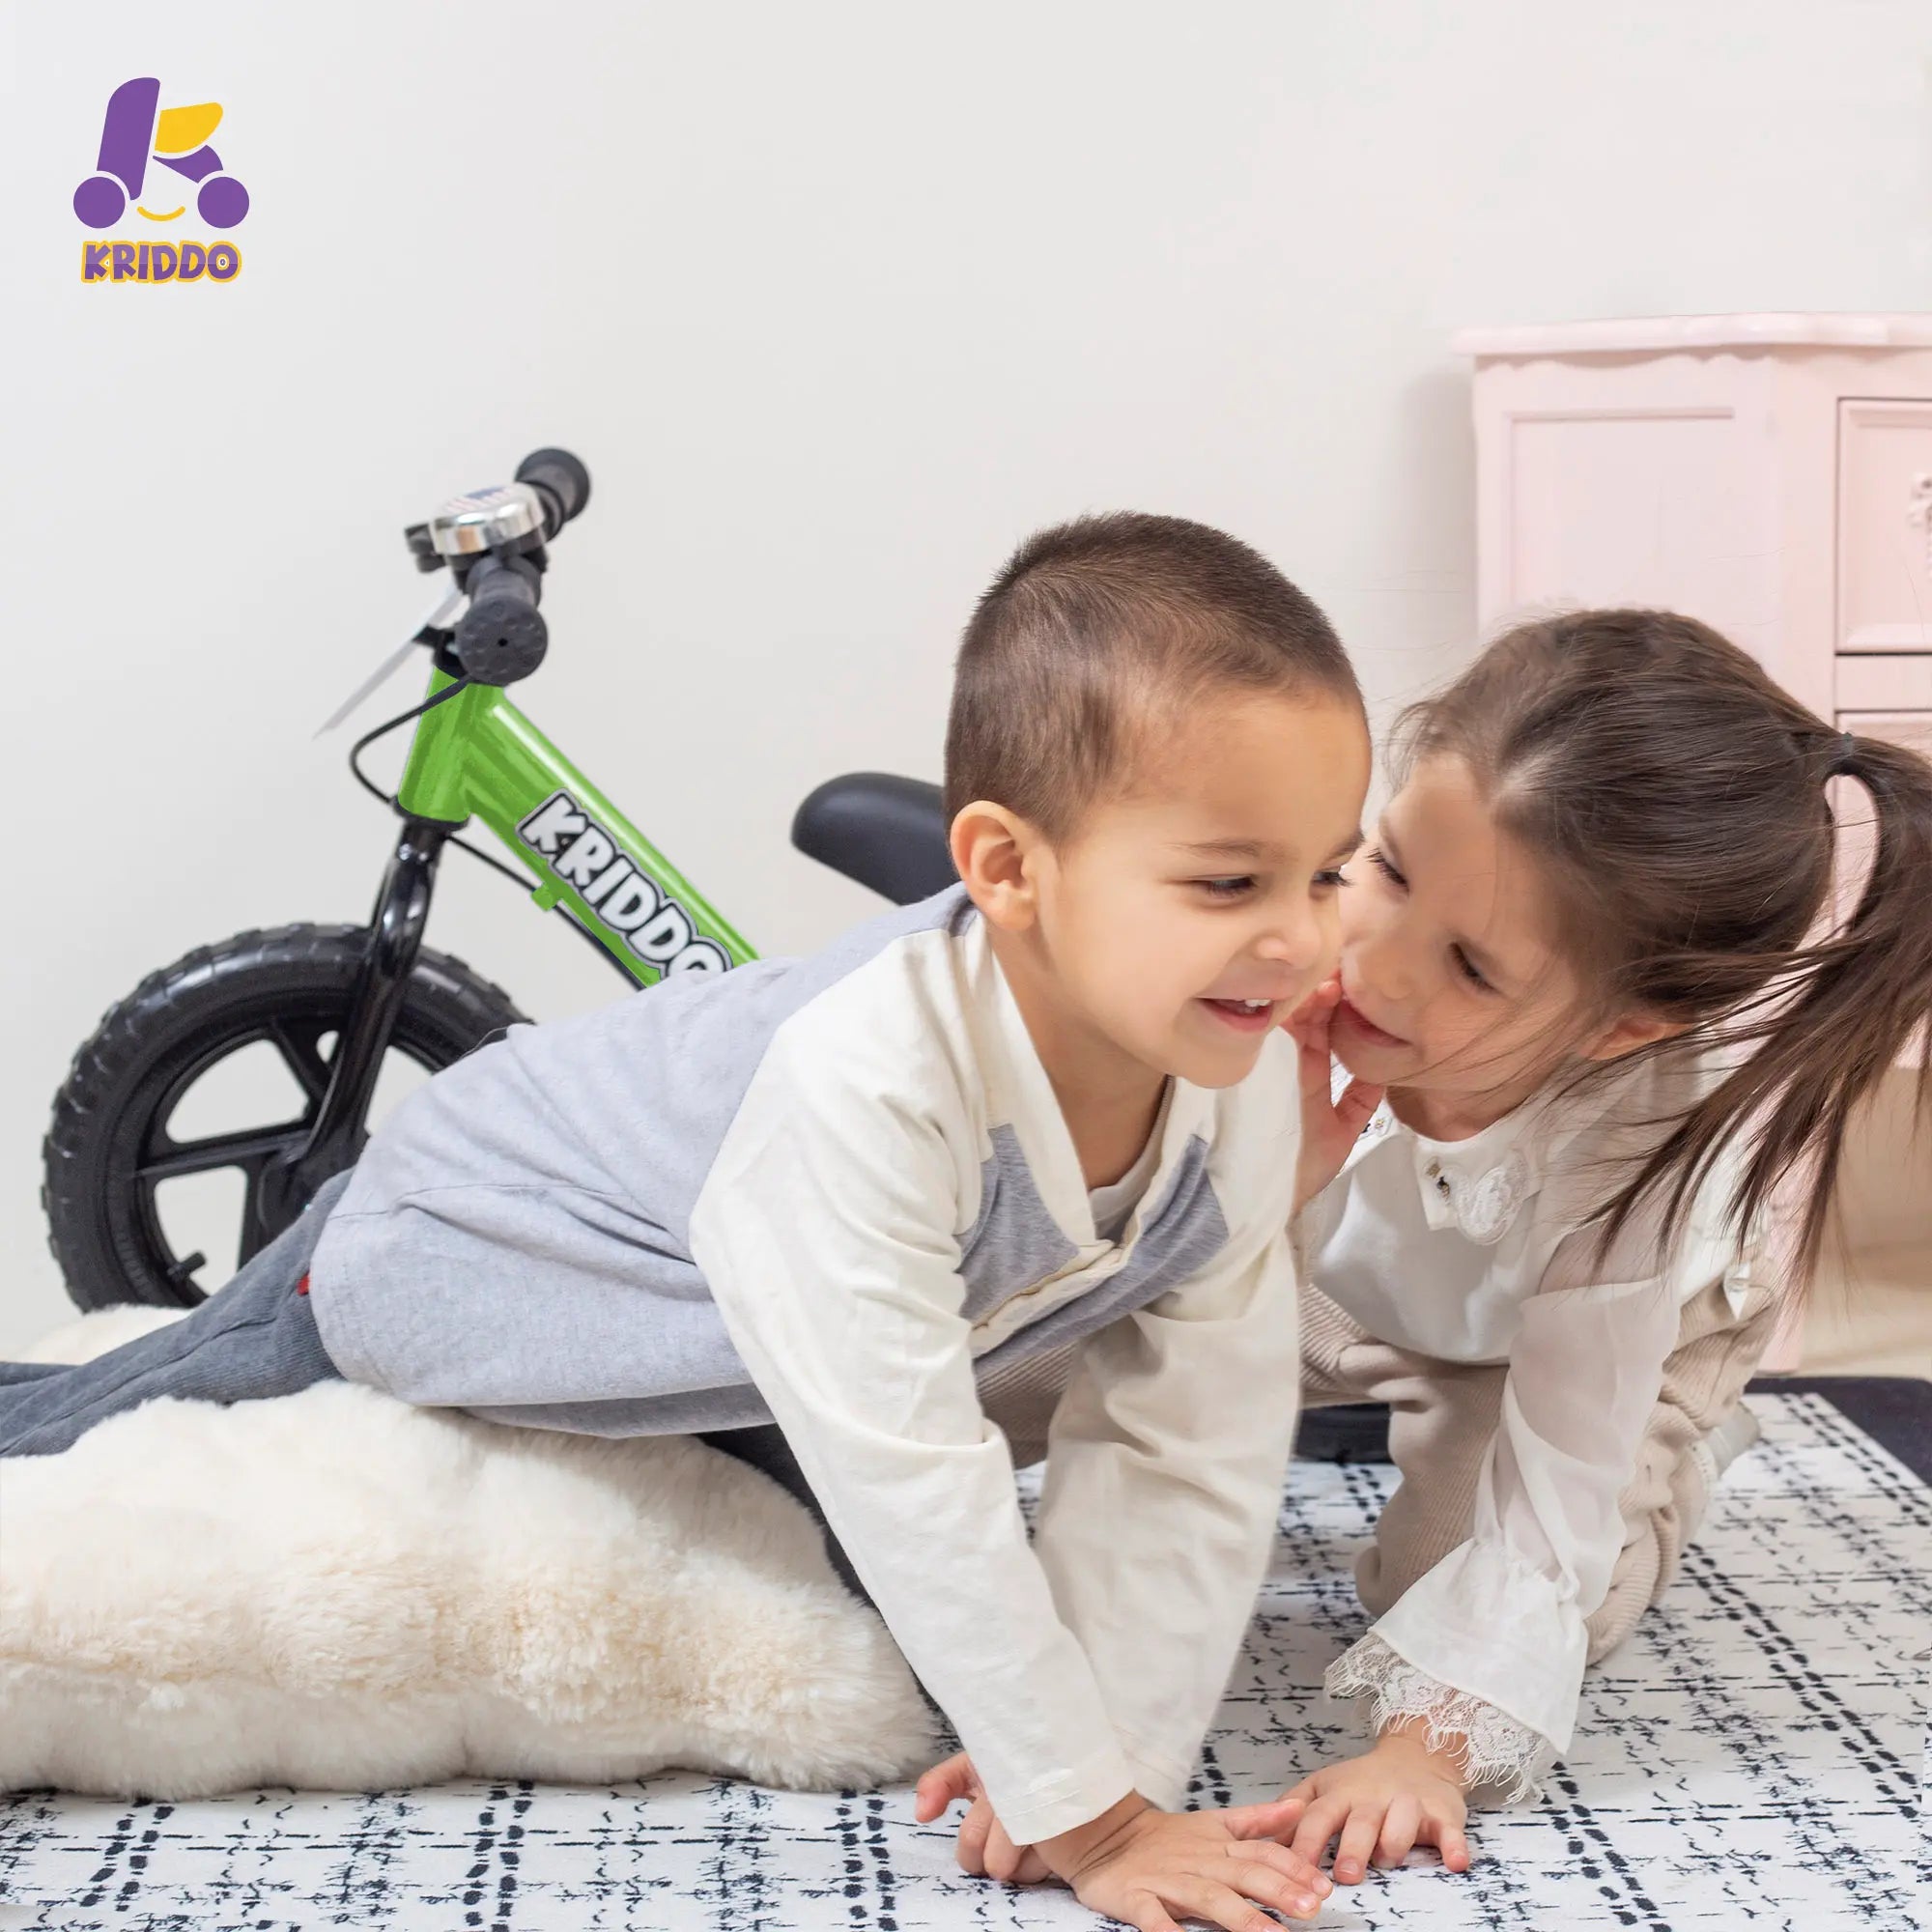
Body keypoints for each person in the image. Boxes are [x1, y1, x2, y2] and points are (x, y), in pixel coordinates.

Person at [2, 514, 1372, 1932]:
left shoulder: (1236, 1086)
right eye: (1230, 883)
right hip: (474, 1227)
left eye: (1328, 873)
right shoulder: (874, 1079)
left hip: (698, 1306)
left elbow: (1189, 1437)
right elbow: (909, 1466)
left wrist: (1108, 1768)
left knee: (873, 1579)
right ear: (1011, 870)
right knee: (111, 1417)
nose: (1301, 940)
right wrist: (1091, 1819)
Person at [1269, 607, 1932, 1887]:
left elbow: (1554, 1484)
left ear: (1623, 1027)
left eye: (1471, 967)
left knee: (1442, 1592)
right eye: (1388, 867)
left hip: (1576, 1347)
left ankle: (1675, 1458)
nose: (1377, 966)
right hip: (1339, 1274)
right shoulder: (1294, 933)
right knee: (1037, 1353)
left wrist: (1424, 1752)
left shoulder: (1637, 1139)